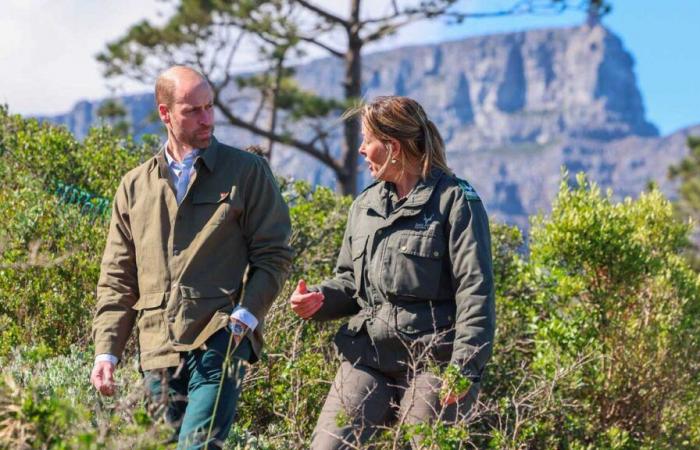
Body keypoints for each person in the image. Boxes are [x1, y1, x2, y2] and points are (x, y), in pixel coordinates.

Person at [90, 66, 293, 449]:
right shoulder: (135, 186)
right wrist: (107, 352)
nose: (207, 119)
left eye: (210, 106)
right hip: (156, 349)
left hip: (221, 337)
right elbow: (118, 278)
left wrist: (246, 316)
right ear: (165, 113)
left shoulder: (247, 172)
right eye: (193, 110)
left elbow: (274, 252)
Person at [290, 96, 495, 449]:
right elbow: (351, 282)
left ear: (392, 147)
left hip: (435, 362)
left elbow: (475, 292)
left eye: (367, 140)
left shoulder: (455, 201)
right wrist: (320, 300)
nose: (360, 150)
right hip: (368, 358)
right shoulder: (364, 206)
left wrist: (464, 367)